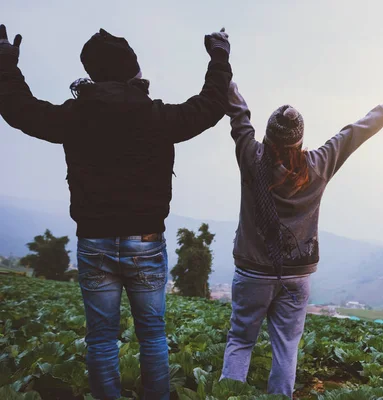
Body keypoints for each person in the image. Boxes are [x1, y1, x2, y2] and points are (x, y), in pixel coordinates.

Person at [0, 25, 232, 400]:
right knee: (153, 336)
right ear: (132, 71)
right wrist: (219, 54)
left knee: (102, 340)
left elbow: (18, 109)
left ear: (91, 73)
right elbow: (211, 104)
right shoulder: (157, 116)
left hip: (94, 242)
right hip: (146, 242)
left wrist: (6, 64)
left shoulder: (74, 116)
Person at [221, 78, 383, 397]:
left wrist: (223, 69)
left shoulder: (251, 157)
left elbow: (239, 115)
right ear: (299, 140)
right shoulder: (319, 164)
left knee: (241, 341)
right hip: (297, 276)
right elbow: (355, 133)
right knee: (286, 348)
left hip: (253, 272)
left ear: (268, 136)